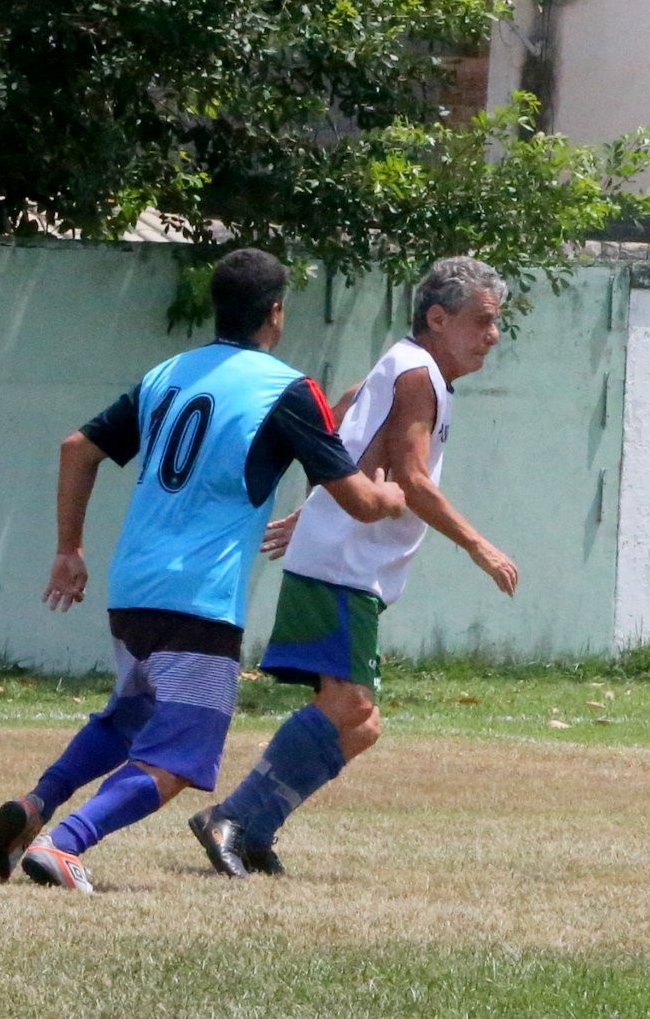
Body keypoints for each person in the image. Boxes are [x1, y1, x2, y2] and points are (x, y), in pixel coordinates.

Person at [0, 248, 406, 892]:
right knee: (181, 755)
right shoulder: (285, 390)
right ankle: (67, 844)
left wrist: (70, 548)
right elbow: (361, 502)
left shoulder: (168, 374)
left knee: (129, 719)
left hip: (133, 587)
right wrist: (397, 494)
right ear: (276, 312)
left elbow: (78, 449)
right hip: (200, 601)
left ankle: (38, 805)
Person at [189, 256, 519, 877]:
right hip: (342, 565)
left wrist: (312, 507)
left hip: (343, 560)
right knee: (352, 712)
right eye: (482, 321)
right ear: (438, 318)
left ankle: (250, 829)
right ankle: (230, 817)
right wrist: (479, 545)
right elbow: (413, 481)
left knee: (360, 724)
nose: (492, 336)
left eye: (496, 323)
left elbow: (341, 417)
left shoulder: (404, 365)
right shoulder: (418, 373)